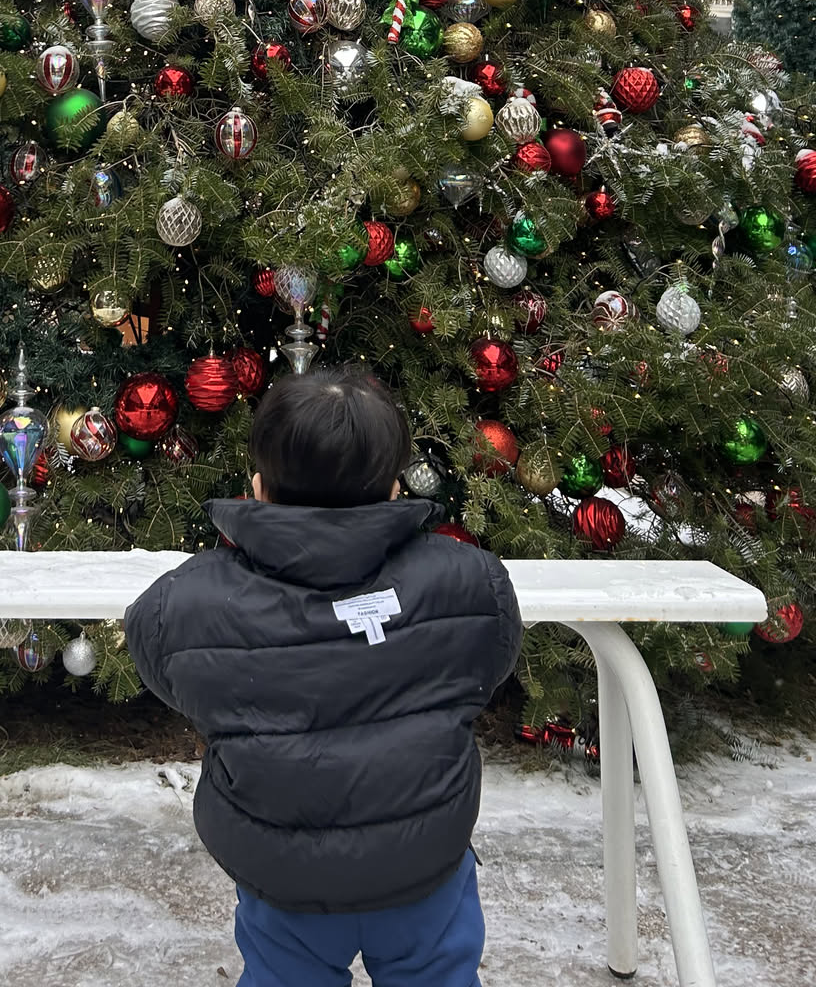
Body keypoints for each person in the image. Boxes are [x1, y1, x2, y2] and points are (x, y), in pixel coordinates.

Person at [124, 363, 523, 987]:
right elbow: (489, 664)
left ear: (258, 488)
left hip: (284, 873)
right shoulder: (468, 580)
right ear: (395, 489)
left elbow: (160, 666)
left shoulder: (189, 602)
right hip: (422, 864)